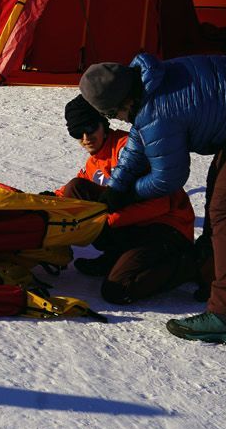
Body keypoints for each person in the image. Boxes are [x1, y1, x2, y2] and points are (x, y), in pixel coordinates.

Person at [80, 53, 226, 346]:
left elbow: (169, 178)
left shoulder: (157, 109)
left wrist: (130, 194)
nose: (119, 121)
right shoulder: (146, 85)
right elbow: (139, 140)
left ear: (121, 104)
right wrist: (116, 187)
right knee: (220, 191)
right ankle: (208, 270)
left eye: (113, 116)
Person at [54, 95, 197, 306]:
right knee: (76, 188)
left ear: (103, 124)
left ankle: (196, 263)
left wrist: (106, 221)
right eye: (77, 133)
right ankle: (116, 256)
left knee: (117, 290)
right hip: (134, 228)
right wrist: (40, 199)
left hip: (166, 229)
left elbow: (161, 203)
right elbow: (71, 190)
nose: (85, 138)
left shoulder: (129, 150)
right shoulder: (95, 161)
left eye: (90, 128)